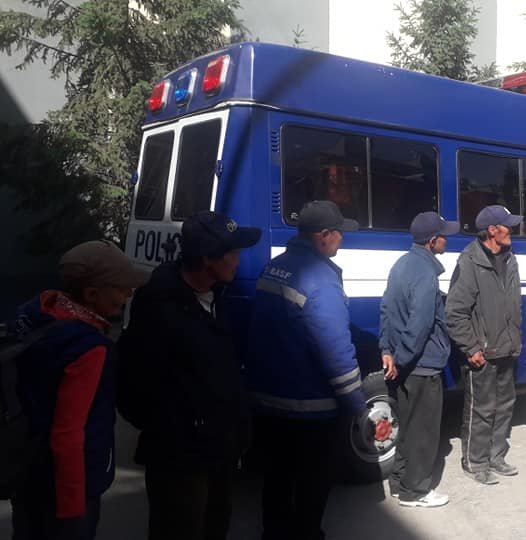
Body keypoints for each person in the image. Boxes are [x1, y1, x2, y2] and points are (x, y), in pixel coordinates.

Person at [117, 211, 261, 539]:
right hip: (180, 460)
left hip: (220, 452)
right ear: (207, 258)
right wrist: (179, 430)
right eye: (232, 252)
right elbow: (132, 386)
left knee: (215, 526)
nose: (239, 260)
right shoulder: (159, 307)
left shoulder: (216, 296)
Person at [10, 241, 148, 540]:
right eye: (121, 288)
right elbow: (68, 433)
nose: (129, 294)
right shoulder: (89, 348)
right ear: (91, 294)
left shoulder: (35, 318)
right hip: (67, 489)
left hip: (27, 471)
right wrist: (73, 507)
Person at [246, 200, 367, 540]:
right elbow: (335, 350)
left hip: (268, 400)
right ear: (323, 235)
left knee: (277, 478)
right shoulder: (321, 280)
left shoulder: (274, 267)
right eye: (340, 233)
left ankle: (273, 534)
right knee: (313, 483)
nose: (342, 240)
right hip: (310, 409)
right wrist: (356, 405)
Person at [379, 211, 460, 508]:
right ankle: (416, 492)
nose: (447, 240)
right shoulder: (425, 273)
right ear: (432, 241)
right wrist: (401, 358)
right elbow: (421, 324)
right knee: (424, 431)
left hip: (404, 364)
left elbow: (386, 309)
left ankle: (399, 483)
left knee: (407, 426)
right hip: (422, 366)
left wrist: (388, 351)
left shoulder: (401, 264)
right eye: (444, 236)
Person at [446, 204, 523, 485]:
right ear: (492, 230)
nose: (512, 230)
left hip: (507, 348)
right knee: (481, 409)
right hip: (483, 352)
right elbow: (455, 312)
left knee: (505, 406)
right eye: (507, 226)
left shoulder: (510, 258)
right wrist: (471, 348)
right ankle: (475, 462)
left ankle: (496, 456)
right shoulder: (469, 262)